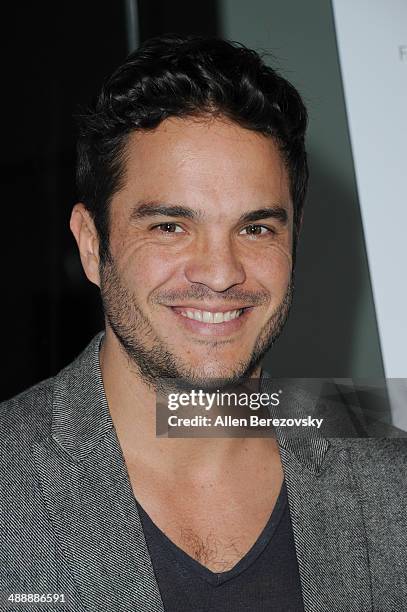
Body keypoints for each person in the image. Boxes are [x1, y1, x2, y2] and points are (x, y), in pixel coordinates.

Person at [1, 35, 406, 612]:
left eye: (257, 228)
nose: (220, 274)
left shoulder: (388, 476)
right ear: (92, 246)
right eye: (170, 226)